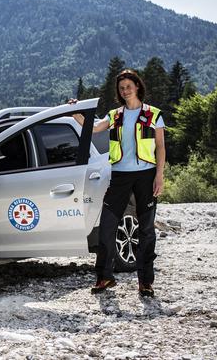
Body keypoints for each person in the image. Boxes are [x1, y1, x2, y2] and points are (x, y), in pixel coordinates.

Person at [70, 69, 165, 297]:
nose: (125, 91)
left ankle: (145, 282)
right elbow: (91, 129)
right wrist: (76, 114)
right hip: (120, 176)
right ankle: (104, 277)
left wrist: (159, 175)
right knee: (107, 227)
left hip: (146, 176)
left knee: (146, 230)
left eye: (128, 86)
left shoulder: (153, 114)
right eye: (121, 88)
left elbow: (160, 147)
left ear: (137, 87)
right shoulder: (115, 115)